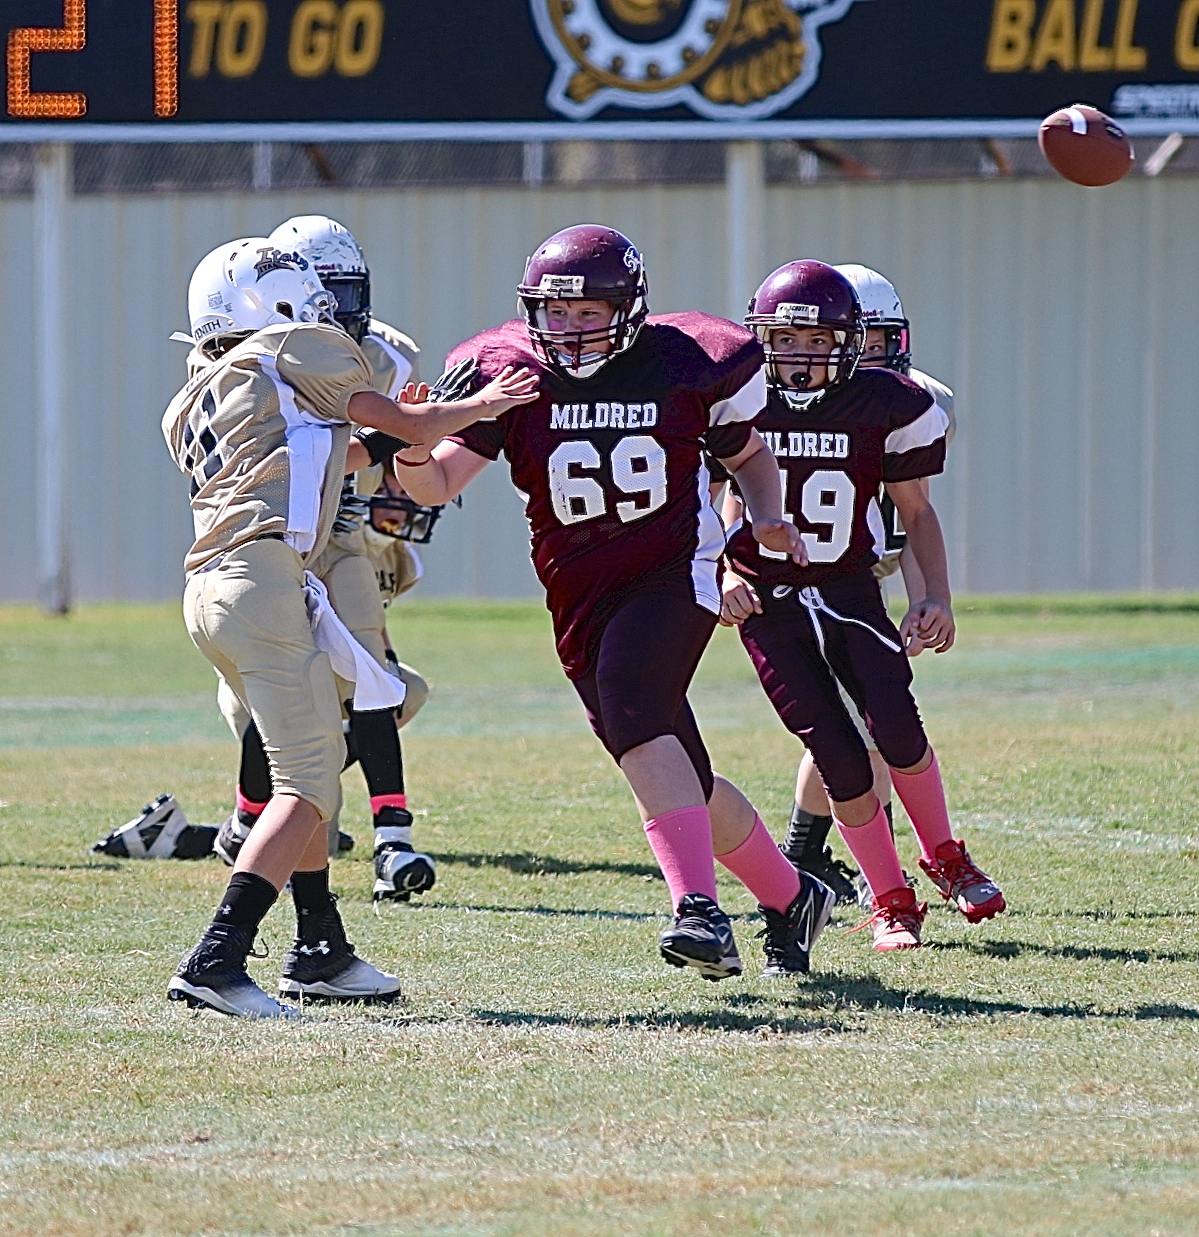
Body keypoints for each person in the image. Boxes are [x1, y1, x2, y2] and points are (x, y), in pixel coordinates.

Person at [397, 224, 836, 981]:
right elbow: (434, 485)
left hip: (672, 569)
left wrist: (766, 515)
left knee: (633, 704)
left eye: (587, 312)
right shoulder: (509, 373)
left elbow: (749, 457)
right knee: (679, 773)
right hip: (578, 592)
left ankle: (697, 911)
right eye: (555, 312)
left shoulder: (683, 361)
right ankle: (794, 897)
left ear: (627, 310)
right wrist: (411, 441)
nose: (568, 328)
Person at [162, 236, 536, 1017]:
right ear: (270, 301)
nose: (322, 309)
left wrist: (405, 430)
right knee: (309, 785)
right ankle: (217, 958)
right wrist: (478, 407)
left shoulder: (202, 386)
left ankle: (319, 946)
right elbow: (406, 421)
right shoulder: (289, 348)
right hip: (263, 582)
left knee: (312, 764)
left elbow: (345, 452)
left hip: (215, 589)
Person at [718, 259, 1004, 951]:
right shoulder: (738, 398)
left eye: (819, 341)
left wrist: (934, 595)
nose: (801, 356)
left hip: (850, 586)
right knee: (839, 757)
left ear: (849, 343)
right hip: (771, 605)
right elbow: (720, 497)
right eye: (786, 339)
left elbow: (915, 511)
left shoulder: (888, 403)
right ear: (761, 339)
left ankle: (946, 856)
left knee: (897, 729)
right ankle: (891, 900)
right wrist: (723, 569)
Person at [779, 264, 956, 906]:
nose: (867, 357)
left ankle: (806, 853)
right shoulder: (779, 394)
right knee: (858, 728)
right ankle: (841, 865)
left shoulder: (917, 402)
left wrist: (926, 597)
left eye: (880, 343)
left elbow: (910, 513)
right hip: (795, 574)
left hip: (864, 567)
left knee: (866, 724)